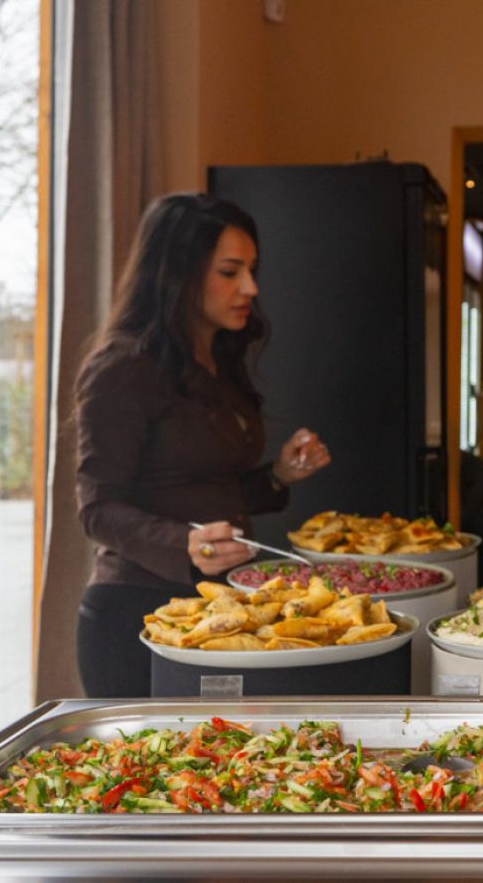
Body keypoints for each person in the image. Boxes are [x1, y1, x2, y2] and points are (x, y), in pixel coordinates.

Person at [75, 193, 331, 697]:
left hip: (219, 611)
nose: (251, 288)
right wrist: (183, 544)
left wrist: (278, 474)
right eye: (230, 272)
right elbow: (97, 509)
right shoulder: (122, 368)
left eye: (252, 270)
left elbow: (211, 493)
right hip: (137, 613)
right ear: (177, 274)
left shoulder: (220, 362)